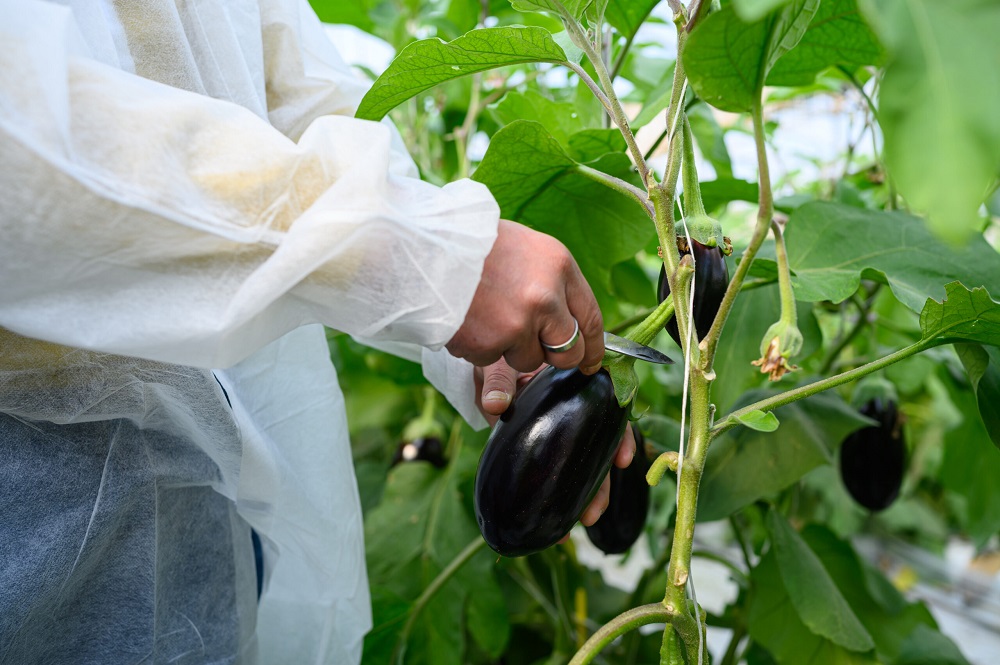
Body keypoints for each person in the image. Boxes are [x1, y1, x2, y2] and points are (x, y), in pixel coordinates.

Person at [0, 1, 634, 663]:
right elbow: (22, 141)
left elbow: (295, 100)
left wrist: (449, 313)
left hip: (202, 476)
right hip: (27, 489)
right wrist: (420, 252)